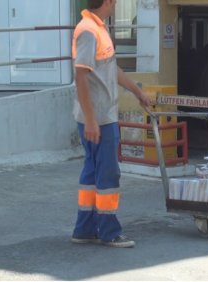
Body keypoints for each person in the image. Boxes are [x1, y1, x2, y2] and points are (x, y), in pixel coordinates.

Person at [71, 0, 151, 248]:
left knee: (93, 173)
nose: (116, 3)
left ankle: (84, 229)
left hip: (98, 118)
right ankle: (109, 231)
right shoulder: (88, 30)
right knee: (107, 174)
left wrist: (137, 92)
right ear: (106, 2)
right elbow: (80, 77)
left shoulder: (98, 28)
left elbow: (110, 70)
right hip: (99, 120)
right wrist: (92, 120)